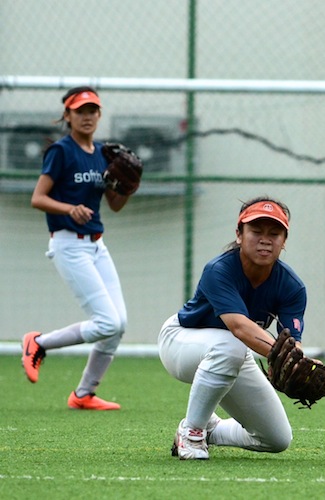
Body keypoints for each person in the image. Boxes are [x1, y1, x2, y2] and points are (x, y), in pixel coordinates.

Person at [158, 196, 307, 460]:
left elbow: (292, 341)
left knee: (276, 438)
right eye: (256, 231)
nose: (265, 239)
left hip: (232, 352)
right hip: (180, 341)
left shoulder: (292, 287)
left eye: (275, 233)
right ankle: (191, 432)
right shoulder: (219, 270)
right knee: (232, 345)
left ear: (284, 241)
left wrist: (297, 362)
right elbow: (238, 327)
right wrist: (280, 355)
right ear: (239, 234)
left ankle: (211, 430)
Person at [22, 86, 134, 410]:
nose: (87, 117)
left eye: (92, 111)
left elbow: (114, 205)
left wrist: (127, 185)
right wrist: (68, 208)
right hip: (68, 244)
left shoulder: (102, 153)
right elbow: (37, 198)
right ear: (68, 115)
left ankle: (83, 394)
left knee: (118, 325)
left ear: (99, 115)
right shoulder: (61, 151)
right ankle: (37, 343)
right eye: (80, 111)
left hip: (97, 246)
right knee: (107, 322)